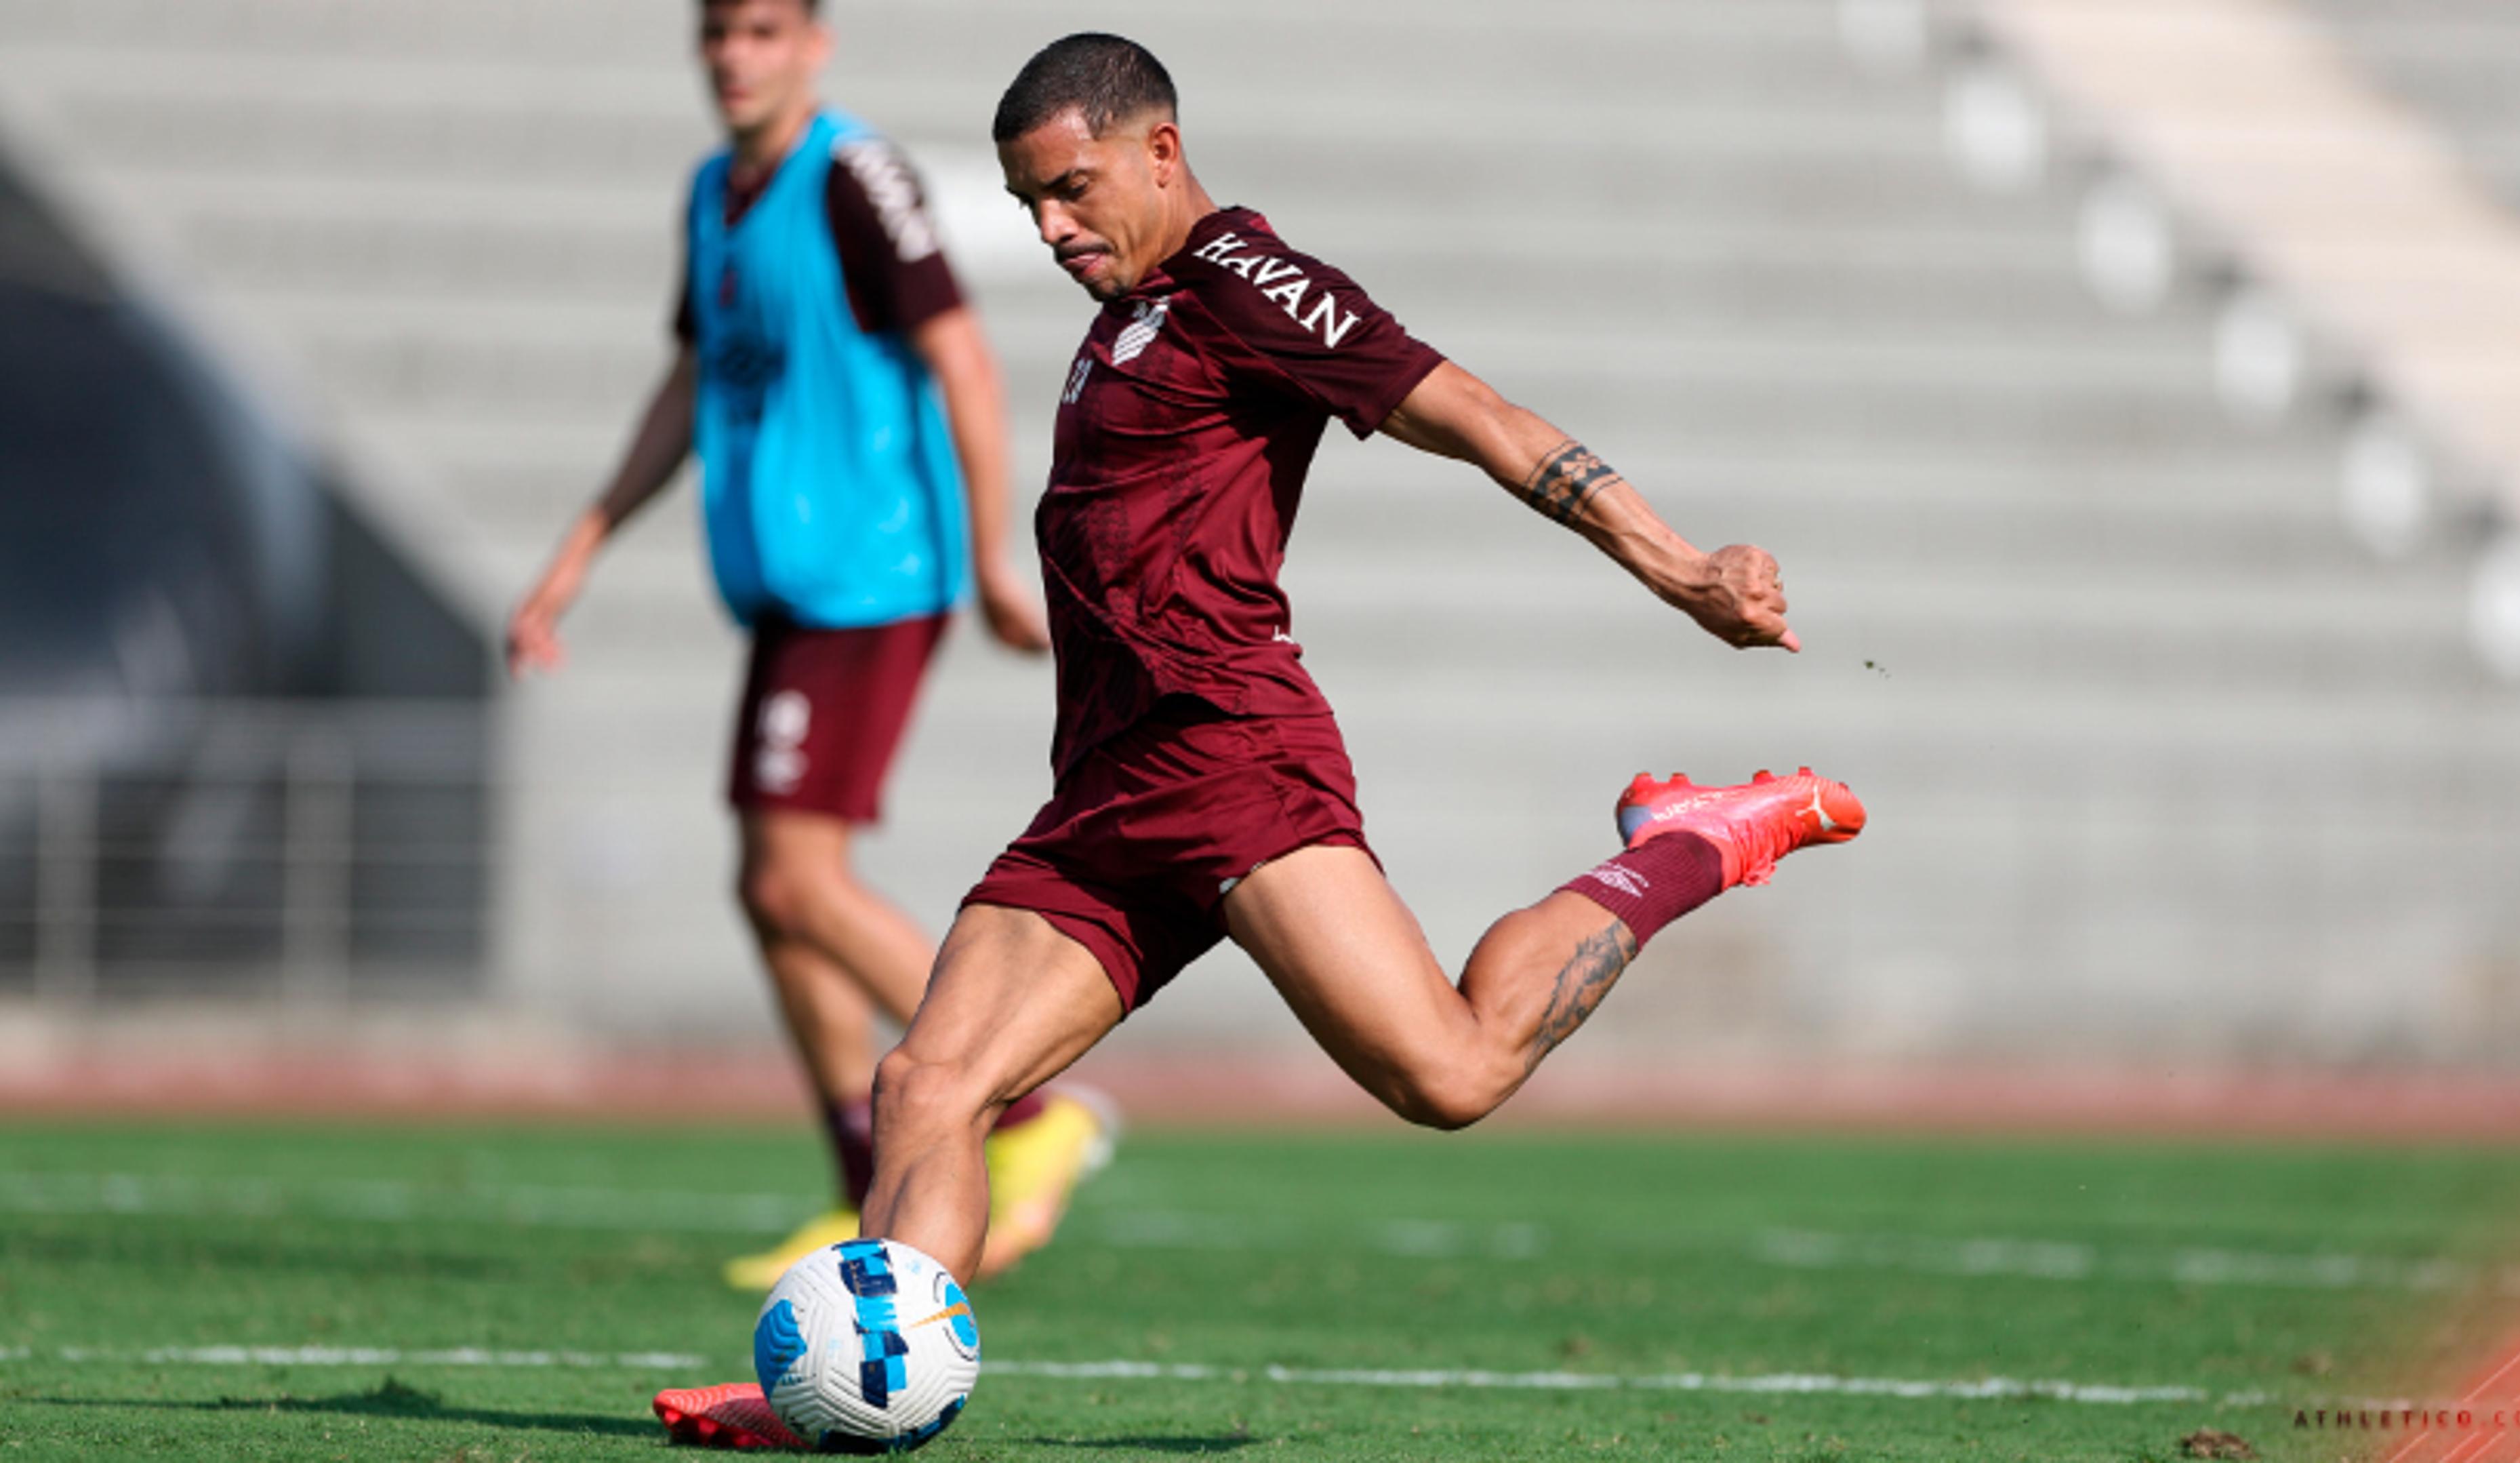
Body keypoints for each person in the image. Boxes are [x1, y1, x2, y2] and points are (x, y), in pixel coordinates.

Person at [657, 29, 1865, 1447]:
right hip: (1106, 788)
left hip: (1234, 764)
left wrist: (1679, 569)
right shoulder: (1126, 306)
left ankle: (1683, 846)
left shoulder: (1244, 280)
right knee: (928, 1081)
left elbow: (1475, 412)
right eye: (1028, 201)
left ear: (1160, 151)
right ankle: (849, 1394)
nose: (1049, 227)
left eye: (1070, 187)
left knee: (1453, 1074)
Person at [506, 0, 1111, 1300]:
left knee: (797, 878)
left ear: (813, 46)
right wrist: (581, 549)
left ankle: (1029, 1107)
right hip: (787, 590)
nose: (737, 54)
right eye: (720, 32)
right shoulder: (713, 197)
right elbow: (690, 384)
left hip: (871, 576)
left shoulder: (857, 176)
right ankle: (862, 1185)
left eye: (765, 31)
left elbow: (961, 359)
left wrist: (996, 553)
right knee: (769, 888)